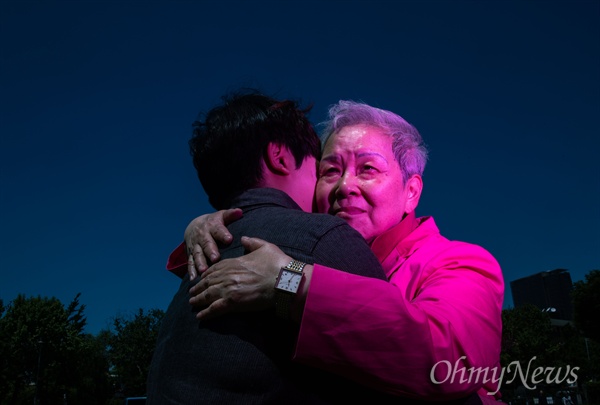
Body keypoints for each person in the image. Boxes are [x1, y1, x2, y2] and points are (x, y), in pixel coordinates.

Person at [179, 100, 505, 403]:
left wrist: (290, 283)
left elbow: (449, 358)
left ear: (411, 191)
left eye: (367, 169)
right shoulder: (311, 247)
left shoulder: (460, 262)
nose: (344, 186)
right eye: (330, 171)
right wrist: (219, 225)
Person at [146, 91, 396, 404]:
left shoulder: (197, 260)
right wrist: (289, 278)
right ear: (280, 157)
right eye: (321, 169)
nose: (334, 190)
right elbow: (402, 355)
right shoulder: (323, 238)